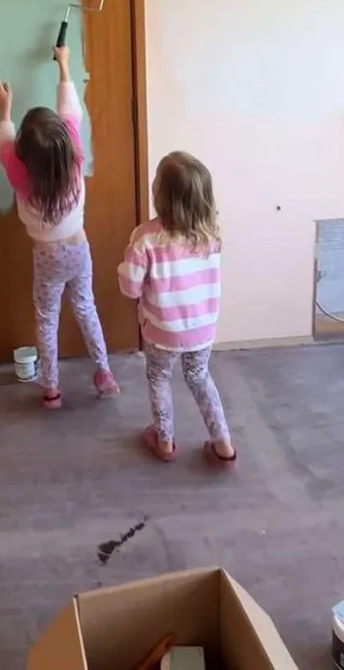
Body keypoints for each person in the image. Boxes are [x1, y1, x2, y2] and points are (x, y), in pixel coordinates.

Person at [0, 46, 119, 409]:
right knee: (85, 307)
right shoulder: (74, 157)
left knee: (46, 319)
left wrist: (6, 109)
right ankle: (104, 372)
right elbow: (70, 111)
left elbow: (4, 143)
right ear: (63, 140)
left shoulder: (17, 170)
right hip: (78, 248)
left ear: (24, 156)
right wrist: (63, 67)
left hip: (46, 256)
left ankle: (52, 389)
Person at [118, 151, 236, 464]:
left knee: (158, 378)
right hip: (202, 328)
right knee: (199, 377)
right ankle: (224, 444)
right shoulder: (212, 235)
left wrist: (129, 273)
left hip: (162, 330)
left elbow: (129, 288)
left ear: (161, 195)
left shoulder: (145, 238)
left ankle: (165, 442)